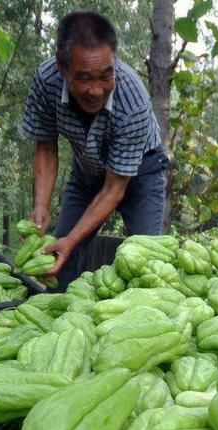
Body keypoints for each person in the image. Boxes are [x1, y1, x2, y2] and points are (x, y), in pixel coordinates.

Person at [21, 11, 169, 288]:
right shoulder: (46, 81)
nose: (96, 90)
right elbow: (45, 145)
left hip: (141, 173)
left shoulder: (132, 100)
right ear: (61, 67)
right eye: (85, 77)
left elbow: (114, 189)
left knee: (148, 261)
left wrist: (73, 239)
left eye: (105, 76)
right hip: (88, 168)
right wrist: (40, 206)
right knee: (59, 259)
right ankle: (61, 322)